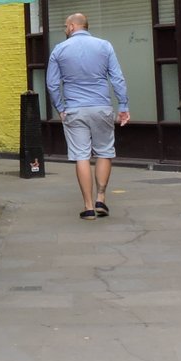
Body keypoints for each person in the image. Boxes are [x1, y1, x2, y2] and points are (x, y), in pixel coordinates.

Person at [45, 12, 130, 219]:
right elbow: (117, 78)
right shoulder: (104, 46)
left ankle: (89, 206)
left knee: (81, 155)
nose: (65, 30)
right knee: (104, 151)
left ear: (73, 26)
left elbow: (52, 84)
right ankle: (101, 198)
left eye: (66, 26)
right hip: (101, 107)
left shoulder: (59, 49)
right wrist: (123, 105)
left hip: (74, 109)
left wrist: (60, 107)